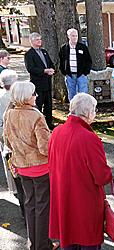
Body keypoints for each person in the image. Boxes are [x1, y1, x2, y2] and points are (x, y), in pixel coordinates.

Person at [49, 93, 112, 249]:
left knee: (69, 241)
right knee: (87, 242)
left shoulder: (57, 132)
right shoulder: (89, 138)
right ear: (89, 113)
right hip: (85, 203)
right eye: (95, 111)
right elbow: (102, 177)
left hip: (63, 199)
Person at [3, 81, 58, 250]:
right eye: (34, 94)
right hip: (40, 168)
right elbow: (44, 148)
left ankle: (34, 242)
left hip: (21, 167)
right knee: (42, 208)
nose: (36, 96)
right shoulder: (36, 116)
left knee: (30, 205)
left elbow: (7, 141)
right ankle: (42, 245)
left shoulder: (9, 113)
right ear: (26, 97)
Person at [0, 69, 25, 219]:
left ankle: (15, 191)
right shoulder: (17, 98)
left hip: (6, 141)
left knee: (12, 172)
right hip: (17, 143)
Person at [24, 32, 55, 130]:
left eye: (40, 39)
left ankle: (48, 123)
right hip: (37, 83)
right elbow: (31, 68)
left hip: (47, 83)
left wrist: (52, 70)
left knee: (48, 105)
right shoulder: (29, 54)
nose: (39, 41)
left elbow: (50, 63)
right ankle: (38, 125)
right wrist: (44, 71)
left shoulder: (44, 51)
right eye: (37, 39)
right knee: (38, 104)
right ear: (32, 41)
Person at [59, 28, 92, 101]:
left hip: (81, 75)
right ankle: (73, 111)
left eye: (76, 36)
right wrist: (64, 72)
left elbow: (88, 60)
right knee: (71, 95)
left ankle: (83, 111)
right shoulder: (64, 48)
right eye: (73, 36)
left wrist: (85, 72)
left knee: (83, 95)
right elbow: (61, 61)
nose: (75, 38)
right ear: (68, 36)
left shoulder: (83, 47)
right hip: (69, 75)